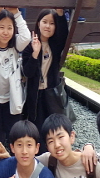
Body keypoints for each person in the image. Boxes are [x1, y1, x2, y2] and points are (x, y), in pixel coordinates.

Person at [0, 0, 31, 170]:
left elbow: (26, 36)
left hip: (12, 98)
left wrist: (16, 13)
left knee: (14, 136)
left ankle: (16, 169)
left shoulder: (15, 46)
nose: (5, 32)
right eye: (1, 27)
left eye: (9, 28)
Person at [22, 8, 68, 147]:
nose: (48, 26)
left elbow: (64, 34)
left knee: (53, 126)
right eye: (45, 22)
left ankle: (54, 152)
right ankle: (40, 153)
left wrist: (60, 14)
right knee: (38, 127)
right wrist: (35, 53)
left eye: (52, 23)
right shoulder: (29, 46)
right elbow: (28, 73)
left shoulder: (55, 44)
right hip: (35, 94)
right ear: (38, 23)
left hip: (51, 93)